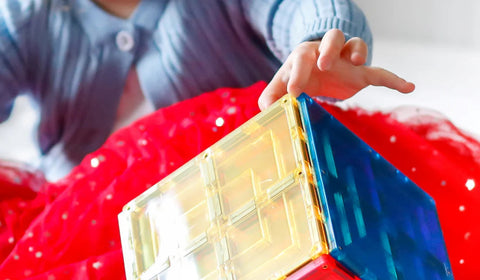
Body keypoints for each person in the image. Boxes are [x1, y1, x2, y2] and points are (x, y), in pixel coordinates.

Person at [0, 0, 414, 180]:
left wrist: (319, 42)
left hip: (246, 197)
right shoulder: (28, 17)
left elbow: (297, 8)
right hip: (83, 240)